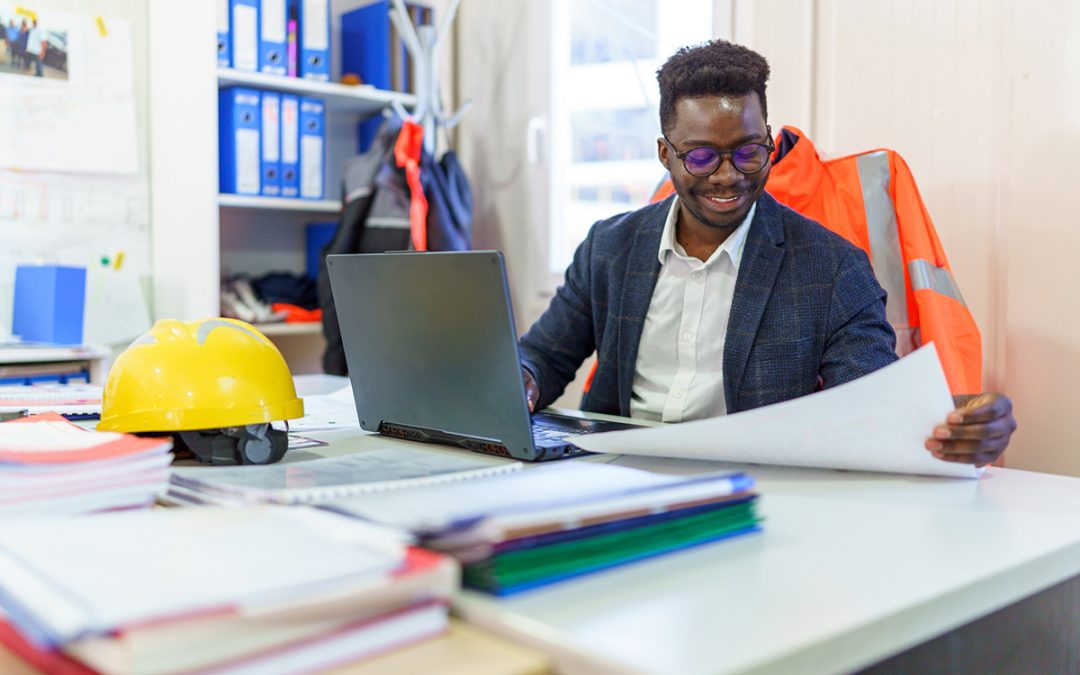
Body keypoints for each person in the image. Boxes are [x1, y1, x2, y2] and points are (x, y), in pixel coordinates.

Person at [518, 39, 1016, 468]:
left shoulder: (832, 267)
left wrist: (955, 421)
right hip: (614, 480)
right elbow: (543, 355)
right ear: (665, 154)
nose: (728, 174)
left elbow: (873, 404)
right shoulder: (610, 247)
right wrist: (523, 381)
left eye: (749, 151)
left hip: (752, 492)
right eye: (701, 156)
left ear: (770, 144)